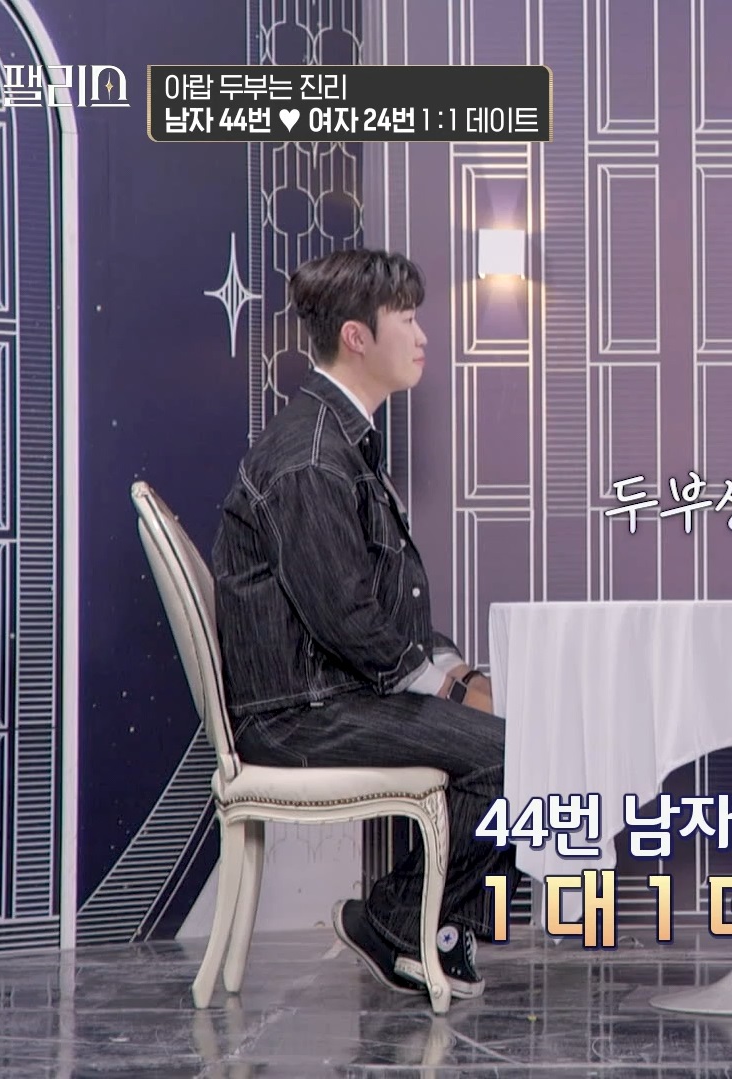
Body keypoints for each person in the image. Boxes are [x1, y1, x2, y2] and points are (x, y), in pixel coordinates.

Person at [209, 247, 519, 1001]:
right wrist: (450, 689)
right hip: (301, 714)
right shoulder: (312, 457)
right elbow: (348, 621)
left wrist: (456, 674)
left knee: (518, 738)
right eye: (406, 319)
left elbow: (382, 607)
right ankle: (400, 922)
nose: (422, 336)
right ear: (357, 336)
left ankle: (431, 929)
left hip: (331, 696)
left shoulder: (338, 440)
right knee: (517, 757)